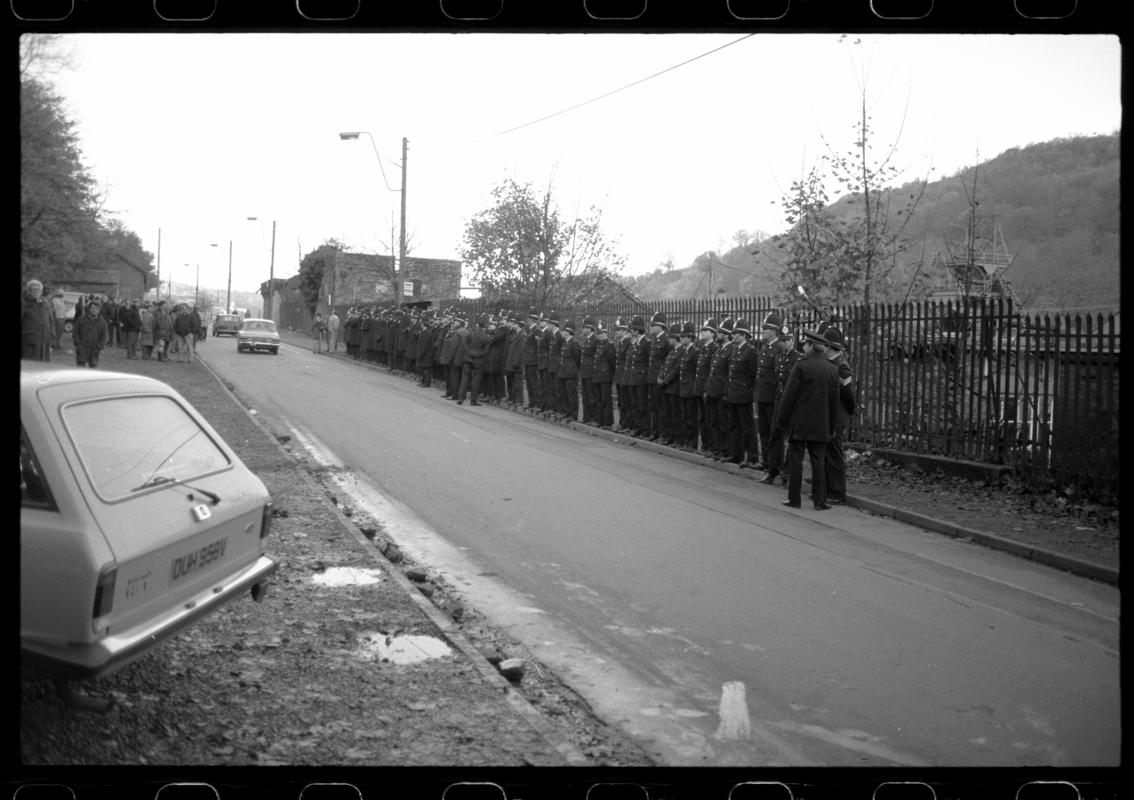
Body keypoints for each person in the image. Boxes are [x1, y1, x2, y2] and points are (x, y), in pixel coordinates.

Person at [772, 329, 840, 510]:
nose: (803, 346)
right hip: (821, 423)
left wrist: (782, 420)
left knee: (796, 460)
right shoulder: (832, 369)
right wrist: (832, 425)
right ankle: (820, 500)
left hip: (799, 422)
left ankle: (794, 498)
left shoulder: (801, 365)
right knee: (818, 461)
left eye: (805, 344)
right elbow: (834, 402)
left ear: (810, 346)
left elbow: (788, 396)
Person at [821, 326, 857, 505]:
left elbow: (848, 395)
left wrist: (851, 411)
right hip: (827, 416)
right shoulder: (828, 364)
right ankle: (827, 488)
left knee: (834, 454)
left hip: (837, 417)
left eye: (824, 345)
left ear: (829, 347)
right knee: (826, 454)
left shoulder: (841, 368)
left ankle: (837, 492)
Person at [723, 319, 761, 466]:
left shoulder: (750, 352)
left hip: (744, 394)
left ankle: (752, 457)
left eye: (736, 334)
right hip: (734, 393)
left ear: (744, 335)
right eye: (733, 334)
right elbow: (731, 373)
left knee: (748, 427)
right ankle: (736, 454)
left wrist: (750, 394)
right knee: (734, 426)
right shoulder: (735, 350)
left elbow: (753, 375)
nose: (733, 336)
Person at [755, 312, 790, 474]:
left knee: (774, 432)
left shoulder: (779, 348)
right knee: (763, 430)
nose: (763, 331)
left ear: (774, 331)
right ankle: (766, 460)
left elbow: (780, 376)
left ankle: (776, 463)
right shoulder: (766, 347)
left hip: (773, 397)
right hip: (762, 395)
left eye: (766, 328)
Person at [457, 315, 490, 406]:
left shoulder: (470, 333)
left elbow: (464, 345)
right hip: (478, 360)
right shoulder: (486, 337)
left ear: (477, 324)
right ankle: (473, 400)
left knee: (465, 378)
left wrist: (469, 353)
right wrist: (477, 354)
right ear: (485, 325)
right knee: (476, 380)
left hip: (468, 358)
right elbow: (486, 351)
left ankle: (461, 397)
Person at [21, 279, 55, 362]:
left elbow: (51, 322)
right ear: (29, 290)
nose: (36, 291)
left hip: (45, 343)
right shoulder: (24, 303)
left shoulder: (45, 304)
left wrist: (52, 340)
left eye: (38, 289)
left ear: (41, 291)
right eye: (34, 289)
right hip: (29, 343)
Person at [591, 323, 616, 428]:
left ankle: (607, 422)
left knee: (606, 399)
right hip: (597, 375)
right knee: (599, 399)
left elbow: (612, 362)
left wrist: (611, 375)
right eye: (599, 333)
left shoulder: (610, 345)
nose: (600, 335)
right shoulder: (598, 344)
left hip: (605, 376)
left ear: (606, 333)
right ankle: (599, 420)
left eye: (602, 333)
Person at [72, 298, 109, 368]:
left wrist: (99, 347)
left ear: (99, 310)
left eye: (96, 309)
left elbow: (105, 336)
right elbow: (75, 332)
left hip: (94, 349)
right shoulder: (81, 319)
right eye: (92, 308)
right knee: (80, 368)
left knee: (93, 368)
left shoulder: (103, 322)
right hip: (82, 348)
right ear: (89, 309)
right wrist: (78, 344)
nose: (94, 310)